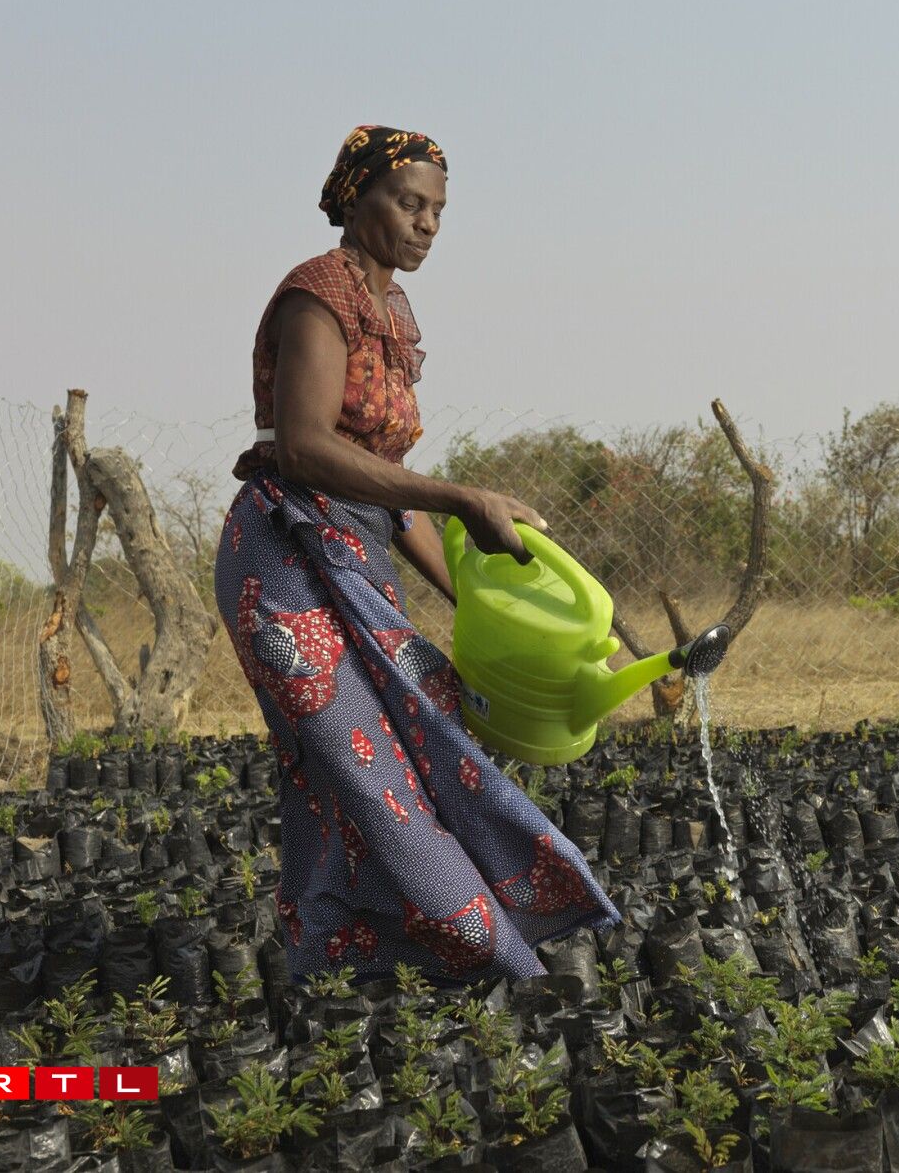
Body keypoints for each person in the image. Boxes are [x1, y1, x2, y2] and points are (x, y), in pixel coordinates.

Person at [214, 125, 621, 986]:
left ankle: (341, 969)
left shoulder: (390, 316)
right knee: (363, 771)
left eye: (437, 210)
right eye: (409, 203)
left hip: (356, 556)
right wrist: (462, 497)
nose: (427, 223)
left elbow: (387, 488)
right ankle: (492, 959)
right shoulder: (318, 296)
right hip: (285, 561)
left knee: (421, 727)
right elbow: (304, 448)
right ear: (355, 197)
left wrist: (482, 597)